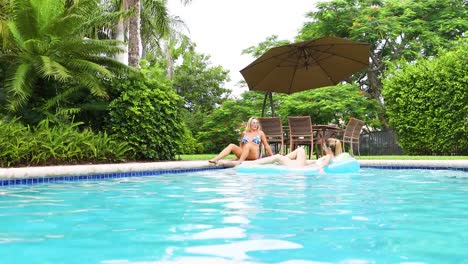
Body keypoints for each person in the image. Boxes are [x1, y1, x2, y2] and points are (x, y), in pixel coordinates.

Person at [229, 138, 343, 173]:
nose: (322, 148)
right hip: (302, 165)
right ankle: (283, 159)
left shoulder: (328, 156)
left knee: (278, 156)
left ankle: (249, 163)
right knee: (300, 150)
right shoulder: (331, 156)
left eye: (324, 147)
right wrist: (310, 163)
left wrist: (320, 170)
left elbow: (321, 166)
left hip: (300, 168)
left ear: (328, 148)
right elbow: (315, 163)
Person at [209, 117, 273, 165]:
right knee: (231, 145)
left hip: (253, 155)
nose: (255, 125)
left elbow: (266, 146)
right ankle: (216, 159)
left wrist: (272, 157)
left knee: (248, 144)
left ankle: (239, 162)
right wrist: (239, 155)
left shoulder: (260, 133)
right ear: (249, 124)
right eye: (253, 123)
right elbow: (241, 144)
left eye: (257, 123)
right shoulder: (244, 133)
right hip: (244, 154)